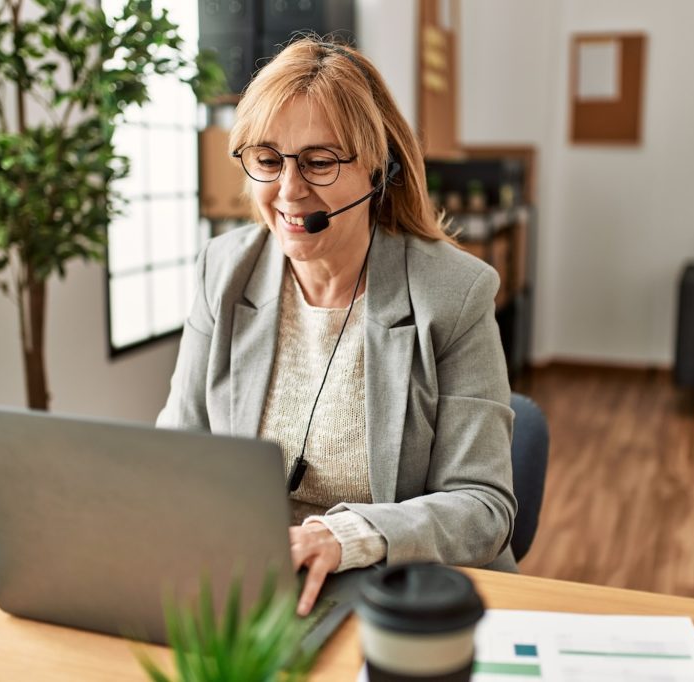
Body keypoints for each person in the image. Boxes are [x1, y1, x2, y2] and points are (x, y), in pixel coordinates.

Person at [157, 37, 516, 616]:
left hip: (396, 594)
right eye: (269, 160)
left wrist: (346, 538)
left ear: (379, 170)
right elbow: (176, 450)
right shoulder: (222, 272)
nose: (290, 190)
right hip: (255, 590)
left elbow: (483, 507)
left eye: (320, 161)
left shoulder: (454, 293)